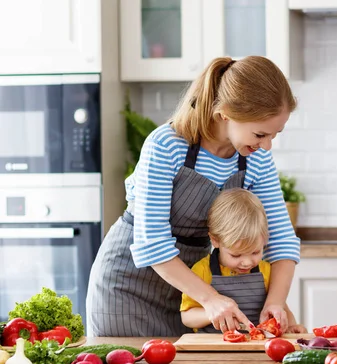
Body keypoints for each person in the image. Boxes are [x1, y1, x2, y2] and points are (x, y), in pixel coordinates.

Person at [87, 56, 300, 337]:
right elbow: (152, 243)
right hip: (130, 286)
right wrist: (210, 298)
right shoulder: (166, 145)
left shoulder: (255, 159)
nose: (267, 146)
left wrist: (275, 302)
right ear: (225, 113)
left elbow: (281, 240)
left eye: (274, 135)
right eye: (261, 134)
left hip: (196, 294)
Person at [180, 188, 306, 333]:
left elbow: (280, 308)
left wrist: (291, 326)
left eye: (255, 252)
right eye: (236, 255)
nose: (247, 262)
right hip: (213, 350)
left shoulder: (266, 270)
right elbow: (187, 316)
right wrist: (212, 313)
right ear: (215, 240)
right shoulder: (201, 270)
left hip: (255, 348)